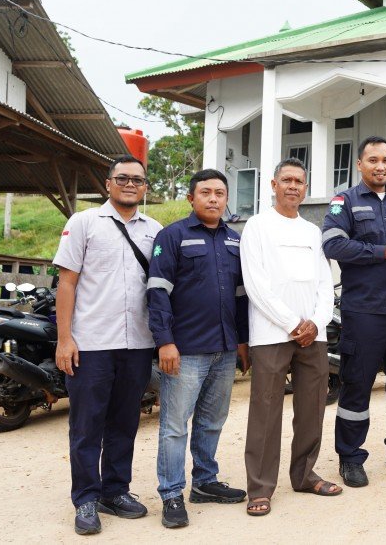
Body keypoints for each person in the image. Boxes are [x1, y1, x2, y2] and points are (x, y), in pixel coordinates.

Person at [53, 155, 163, 536]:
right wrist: (64, 339)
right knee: (87, 425)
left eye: (138, 179)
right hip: (92, 342)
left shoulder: (155, 230)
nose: (130, 184)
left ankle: (115, 491)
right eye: (123, 178)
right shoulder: (83, 223)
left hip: (138, 342)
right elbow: (66, 283)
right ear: (108, 183)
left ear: (145, 187)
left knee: (124, 422)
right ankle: (86, 497)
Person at [321, 136, 386, 487]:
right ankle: (350, 457)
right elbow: (333, 244)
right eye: (373, 160)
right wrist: (382, 252)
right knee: (358, 386)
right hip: (364, 312)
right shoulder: (344, 202)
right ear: (360, 165)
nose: (380, 166)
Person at [147, 169, 249, 528]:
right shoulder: (172, 236)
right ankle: (172, 493)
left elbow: (240, 296)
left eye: (219, 193)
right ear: (191, 198)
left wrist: (242, 341)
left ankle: (205, 482)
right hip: (185, 349)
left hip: (223, 348)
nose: (213, 199)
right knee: (175, 426)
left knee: (212, 421)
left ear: (226, 199)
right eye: (205, 192)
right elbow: (157, 292)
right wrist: (165, 341)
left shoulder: (235, 241)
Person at [240, 158, 339, 517]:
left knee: (312, 406)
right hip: (271, 333)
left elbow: (324, 283)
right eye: (287, 180)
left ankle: (304, 474)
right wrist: (291, 323)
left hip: (313, 335)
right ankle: (260, 487)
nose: (293, 186)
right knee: (266, 411)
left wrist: (315, 321)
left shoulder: (311, 232)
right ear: (273, 184)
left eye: (299, 181)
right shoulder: (257, 226)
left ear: (305, 188)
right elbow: (256, 284)